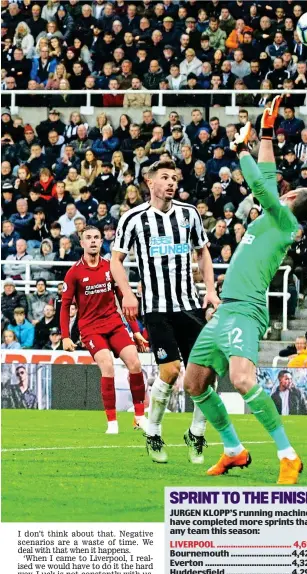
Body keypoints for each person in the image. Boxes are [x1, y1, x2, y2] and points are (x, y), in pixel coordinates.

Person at [183, 97, 307, 485]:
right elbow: (267, 169)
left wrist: (239, 150)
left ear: (291, 198)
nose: (281, 187)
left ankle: (288, 454)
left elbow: (261, 182)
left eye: (286, 189)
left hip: (245, 309)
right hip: (226, 309)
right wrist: (265, 130)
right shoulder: (278, 217)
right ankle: (233, 450)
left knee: (243, 379)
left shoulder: (282, 219)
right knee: (193, 383)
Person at [111, 159, 219, 463]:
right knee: (170, 372)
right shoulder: (133, 219)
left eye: (175, 178)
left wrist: (210, 290)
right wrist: (128, 293)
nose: (171, 183)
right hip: (157, 308)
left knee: (207, 372)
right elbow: (115, 261)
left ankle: (197, 433)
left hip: (189, 306)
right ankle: (154, 431)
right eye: (165, 177)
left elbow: (203, 252)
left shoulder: (189, 214)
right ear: (150, 181)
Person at [60, 226, 148, 434]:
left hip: (115, 324)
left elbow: (123, 299)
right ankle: (112, 423)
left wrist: (135, 330)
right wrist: (65, 336)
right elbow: (64, 306)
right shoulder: (74, 272)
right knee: (107, 367)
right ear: (81, 243)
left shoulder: (111, 267)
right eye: (88, 238)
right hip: (91, 329)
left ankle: (139, 417)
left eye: (96, 238)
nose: (92, 241)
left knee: (135, 363)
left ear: (101, 242)